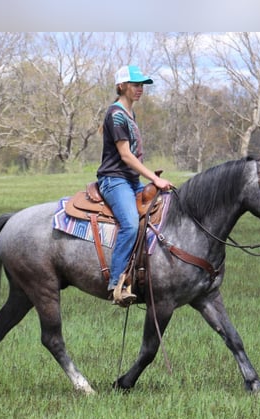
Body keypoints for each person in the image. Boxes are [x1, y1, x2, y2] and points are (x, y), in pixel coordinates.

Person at [97, 65, 173, 306]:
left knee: (159, 212)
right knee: (130, 224)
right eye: (135, 85)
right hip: (114, 180)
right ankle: (116, 284)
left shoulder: (130, 114)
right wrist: (155, 178)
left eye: (142, 85)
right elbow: (126, 156)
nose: (140, 89)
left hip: (130, 181)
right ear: (122, 86)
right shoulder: (116, 114)